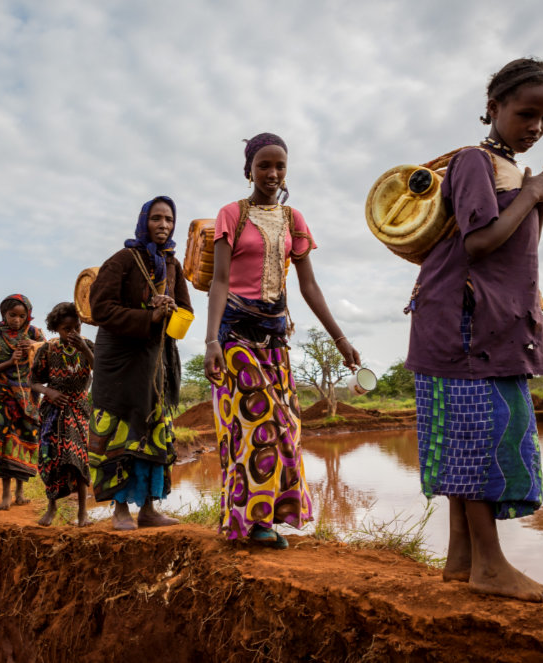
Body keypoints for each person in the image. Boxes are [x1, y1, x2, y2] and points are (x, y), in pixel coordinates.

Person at [405, 58, 543, 602]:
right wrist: (530, 194)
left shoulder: (513, 172)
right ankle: (492, 567)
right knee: (480, 435)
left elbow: (516, 251)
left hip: (491, 324)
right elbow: (478, 242)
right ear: (495, 107)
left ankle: (461, 560)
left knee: (469, 434)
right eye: (527, 113)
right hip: (462, 325)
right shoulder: (474, 161)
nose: (536, 127)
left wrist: (538, 197)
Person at [204, 132, 361, 550]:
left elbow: (309, 286)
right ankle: (254, 523)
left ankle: (270, 515)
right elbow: (219, 282)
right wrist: (210, 341)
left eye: (280, 166)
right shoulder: (230, 215)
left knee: (287, 427)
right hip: (235, 334)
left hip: (275, 338)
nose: (272, 174)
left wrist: (341, 338)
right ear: (248, 169)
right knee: (259, 424)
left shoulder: (295, 220)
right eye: (264, 166)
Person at [88, 196, 192, 530]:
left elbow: (186, 311)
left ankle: (148, 509)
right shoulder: (123, 260)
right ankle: (120, 510)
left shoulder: (172, 264)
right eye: (157, 219)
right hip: (119, 360)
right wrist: (148, 314)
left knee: (153, 427)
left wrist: (171, 309)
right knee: (121, 428)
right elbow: (100, 309)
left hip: (154, 358)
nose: (164, 225)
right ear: (144, 221)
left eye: (169, 220)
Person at [31, 302, 95, 527]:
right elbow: (34, 381)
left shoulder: (89, 346)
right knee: (51, 458)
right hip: (53, 411)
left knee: (79, 458)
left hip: (79, 409)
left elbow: (101, 369)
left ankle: (83, 513)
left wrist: (85, 350)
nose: (73, 333)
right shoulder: (48, 350)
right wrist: (49, 391)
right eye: (67, 329)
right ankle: (52, 507)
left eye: (77, 327)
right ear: (56, 328)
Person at [0, 294, 46, 510]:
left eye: (21, 315)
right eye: (12, 315)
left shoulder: (35, 333)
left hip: (27, 398)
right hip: (3, 398)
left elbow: (49, 355)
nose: (17, 320)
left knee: (25, 440)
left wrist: (35, 346)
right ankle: (6, 494)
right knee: (4, 441)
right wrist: (10, 361)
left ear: (28, 315)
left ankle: (20, 492)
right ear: (3, 314)